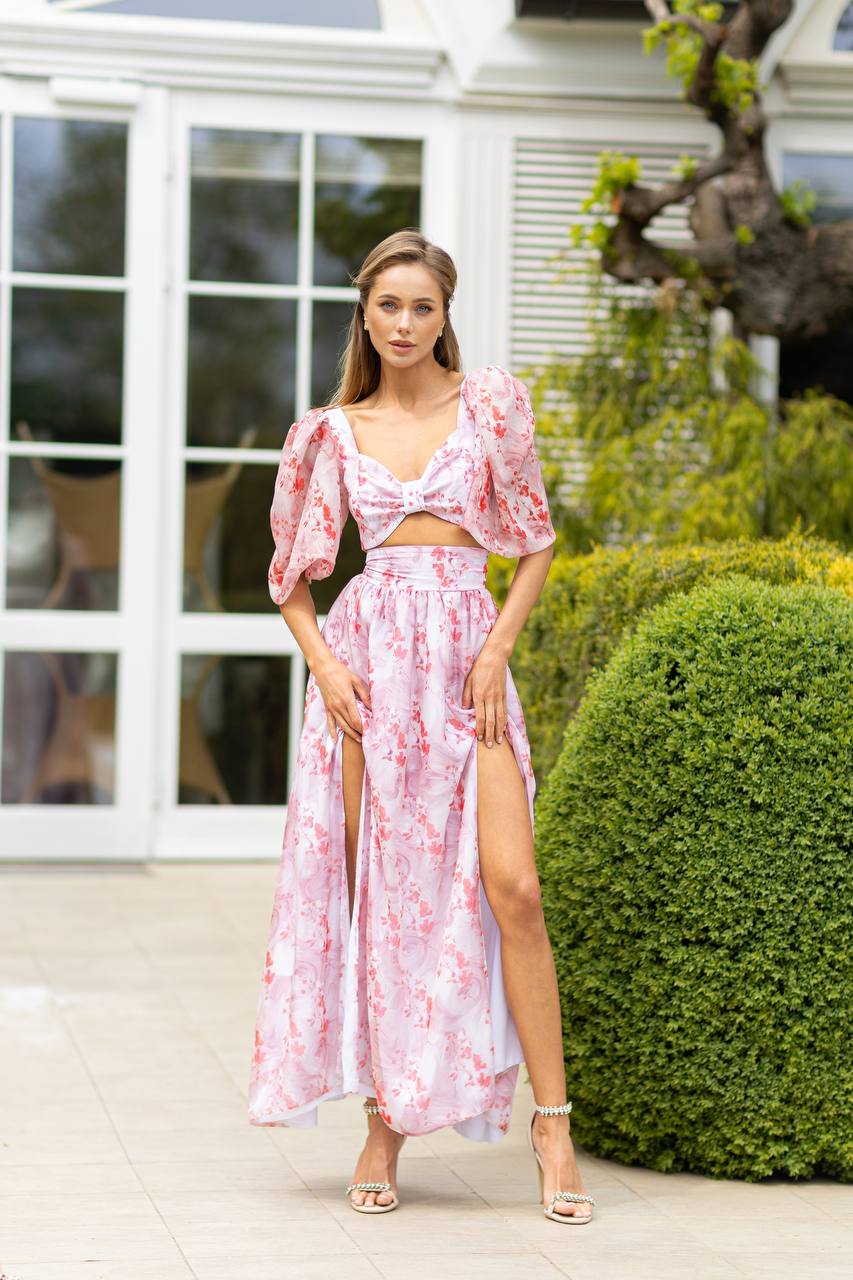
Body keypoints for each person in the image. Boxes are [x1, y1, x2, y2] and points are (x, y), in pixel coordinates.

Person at [248, 229, 595, 1225]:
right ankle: (385, 1119)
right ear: (364, 312)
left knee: (514, 888)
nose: (403, 323)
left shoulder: (486, 404)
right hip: (370, 674)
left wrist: (493, 652)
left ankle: (552, 1124)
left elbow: (530, 543)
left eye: (421, 306)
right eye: (387, 305)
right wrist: (325, 665)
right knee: (384, 897)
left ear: (445, 315)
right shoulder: (328, 429)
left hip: (466, 663)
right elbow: (291, 576)